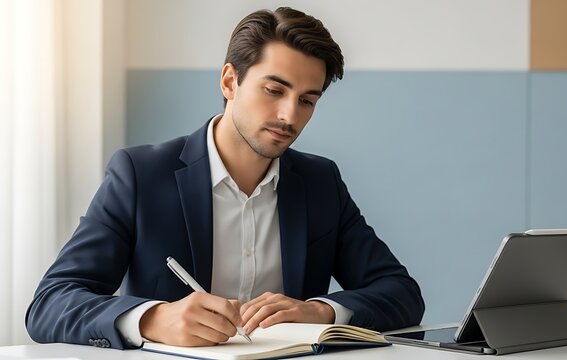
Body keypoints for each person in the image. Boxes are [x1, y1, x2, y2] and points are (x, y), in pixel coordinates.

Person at [26, 7, 424, 349]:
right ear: (230, 81)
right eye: (274, 90)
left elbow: (401, 293)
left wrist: (320, 310)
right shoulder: (140, 175)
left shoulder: (320, 181)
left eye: (307, 100)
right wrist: (152, 319)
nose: (290, 116)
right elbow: (50, 303)